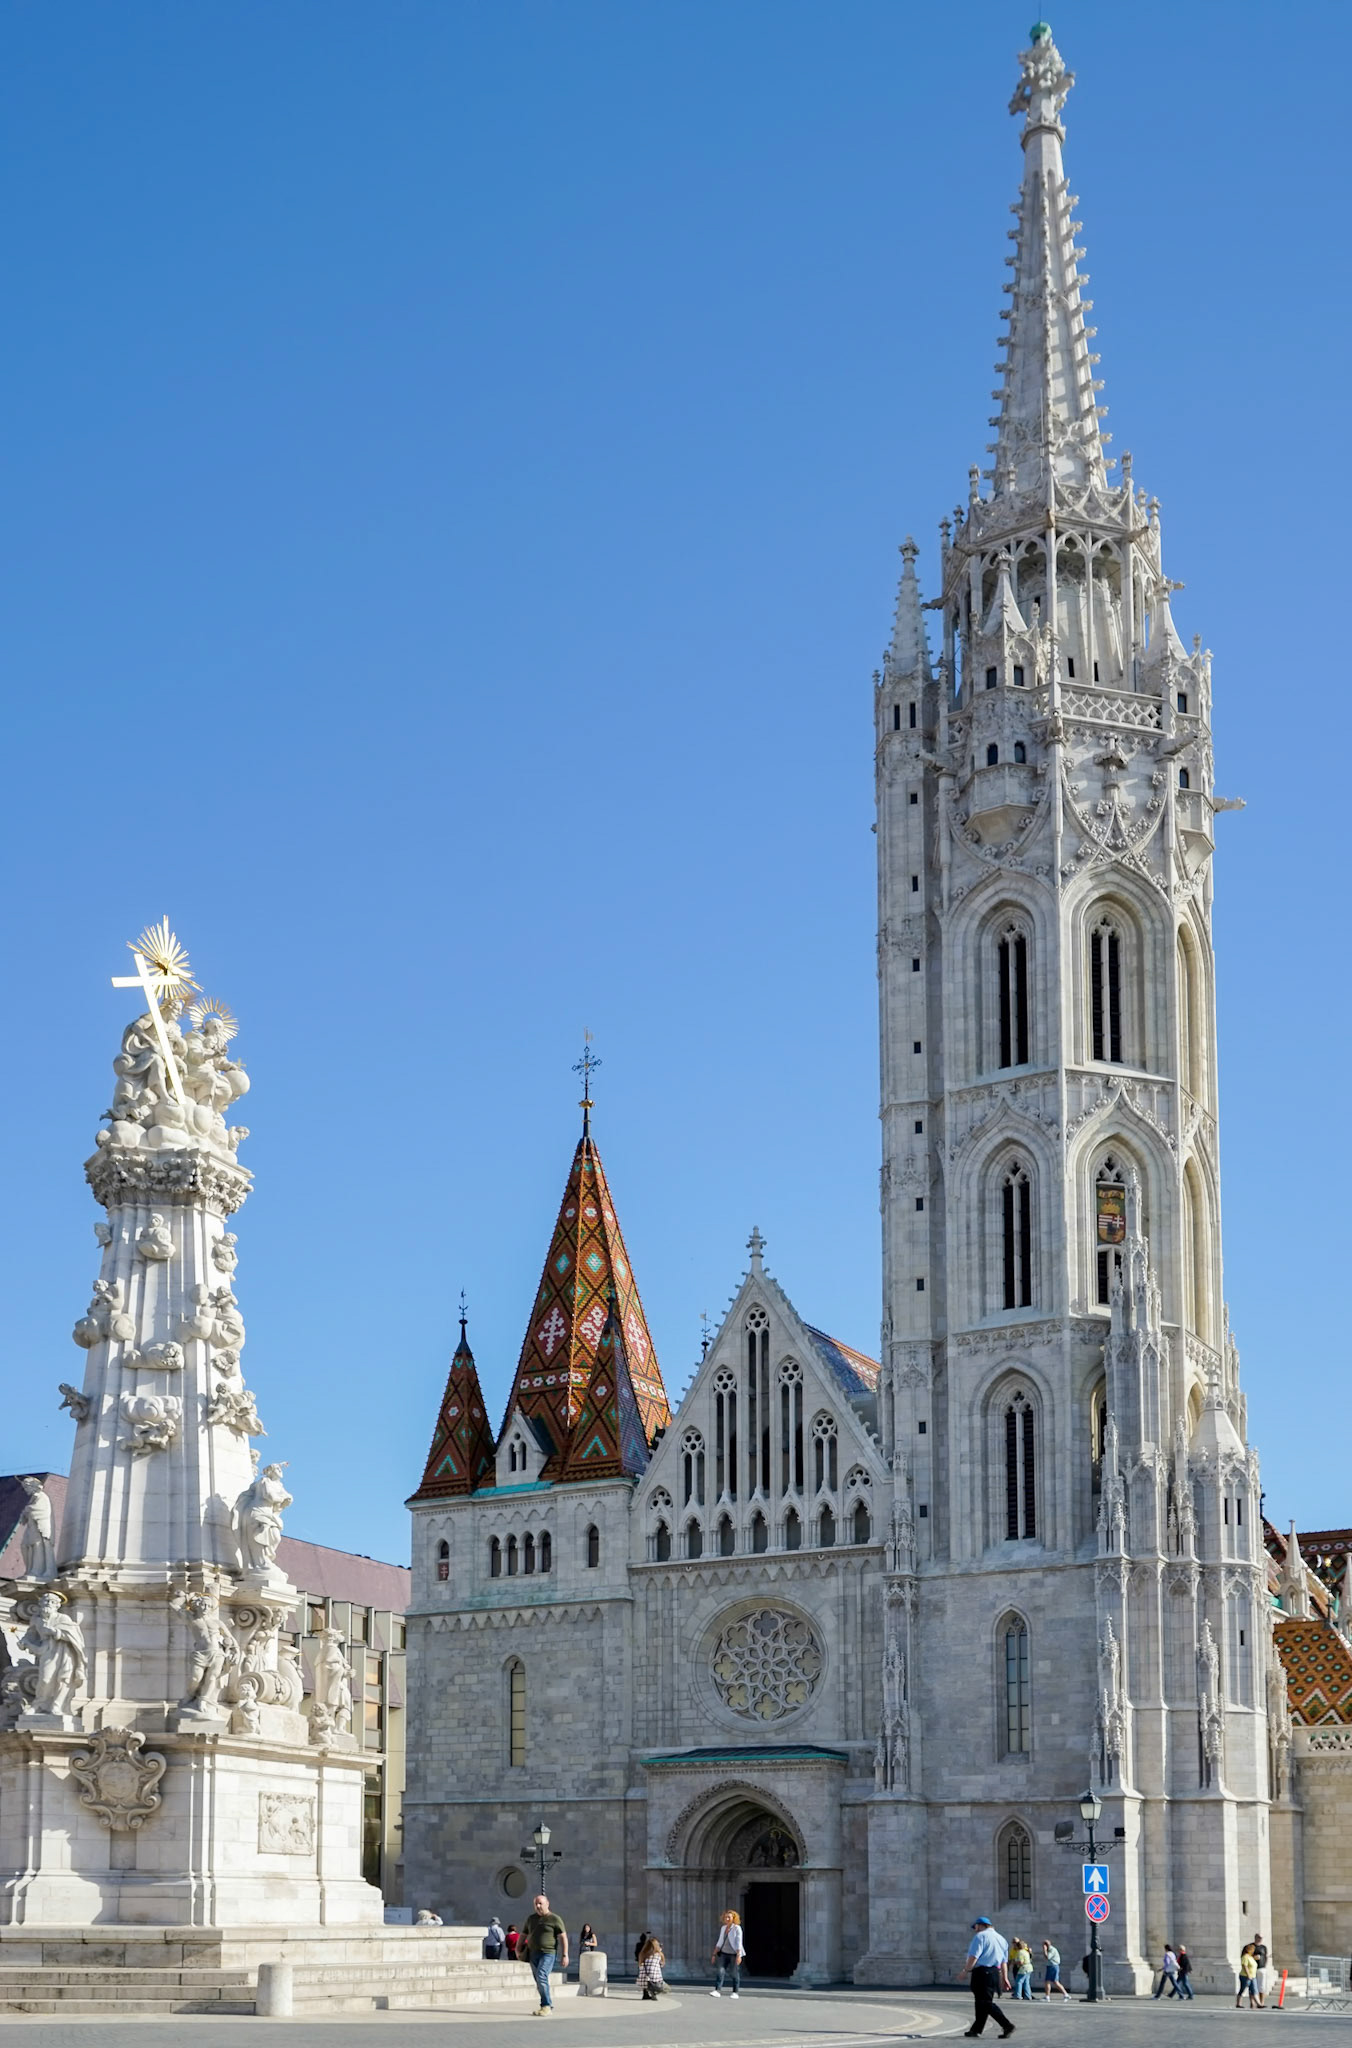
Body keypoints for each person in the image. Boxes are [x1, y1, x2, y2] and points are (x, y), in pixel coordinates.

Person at [959, 1916, 1014, 2039]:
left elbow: (974, 1957)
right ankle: (976, 2029)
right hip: (995, 1972)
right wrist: (1005, 1978)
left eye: (975, 1927)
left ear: (981, 1925)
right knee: (980, 2001)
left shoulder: (980, 1937)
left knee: (985, 2002)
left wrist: (965, 1971)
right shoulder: (1002, 1939)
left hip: (982, 1972)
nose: (975, 1930)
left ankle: (1007, 2025)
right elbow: (1004, 1962)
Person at [521, 1893, 569, 2014]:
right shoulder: (531, 1919)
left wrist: (565, 1955)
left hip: (548, 1953)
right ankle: (544, 2005)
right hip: (533, 1953)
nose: (537, 1906)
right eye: (535, 1904)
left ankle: (547, 2005)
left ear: (547, 1904)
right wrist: (517, 1949)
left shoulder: (555, 1919)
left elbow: (563, 1937)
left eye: (540, 1903)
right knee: (539, 1979)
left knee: (541, 1976)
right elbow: (523, 1934)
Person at [711, 1909, 746, 1997]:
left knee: (734, 1973)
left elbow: (738, 1942)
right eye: (725, 1917)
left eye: (729, 1917)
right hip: (724, 1953)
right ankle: (717, 1990)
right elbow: (720, 1941)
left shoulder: (737, 1928)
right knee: (720, 1971)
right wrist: (714, 1954)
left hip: (734, 1954)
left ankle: (735, 1992)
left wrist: (739, 1955)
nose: (727, 1919)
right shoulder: (723, 1928)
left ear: (733, 1918)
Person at [638, 1935, 666, 2000]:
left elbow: (640, 1965)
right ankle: (653, 1992)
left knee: (644, 1973)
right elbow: (662, 1964)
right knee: (656, 1973)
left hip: (642, 1980)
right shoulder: (659, 1954)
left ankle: (645, 1994)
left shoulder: (642, 1954)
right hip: (654, 1980)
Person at [1236, 1943, 1259, 2009]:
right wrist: (1248, 1974)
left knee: (1253, 1990)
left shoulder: (1250, 1957)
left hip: (1253, 1976)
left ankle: (1258, 2003)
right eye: (1252, 1949)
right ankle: (1238, 2003)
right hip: (1245, 1976)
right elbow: (1245, 1966)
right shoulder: (1245, 1957)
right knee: (1243, 1989)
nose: (1253, 1951)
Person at [1252, 1934, 1269, 2008]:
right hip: (1253, 1968)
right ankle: (1253, 2003)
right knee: (1253, 1986)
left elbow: (1266, 1956)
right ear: (1255, 1938)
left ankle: (1261, 2003)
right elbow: (1247, 1956)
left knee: (1262, 1986)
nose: (1260, 1939)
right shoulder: (1251, 1946)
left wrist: (1265, 1965)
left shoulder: (1263, 1947)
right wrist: (1254, 1957)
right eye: (1259, 1938)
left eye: (1261, 1938)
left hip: (1262, 1968)